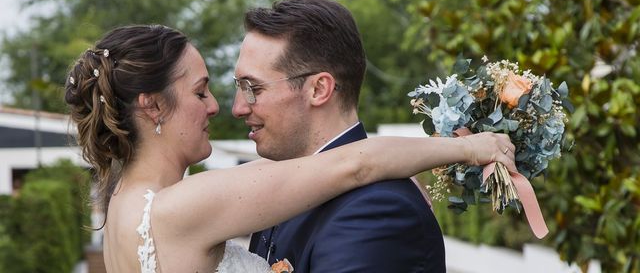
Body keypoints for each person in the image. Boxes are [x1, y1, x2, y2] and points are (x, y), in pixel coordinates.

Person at [65, 24, 515, 273]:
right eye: (201, 92)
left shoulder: (121, 206)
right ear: (153, 106)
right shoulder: (181, 207)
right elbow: (355, 167)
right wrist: (472, 148)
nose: (220, 106)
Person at [233, 0, 453, 272]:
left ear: (318, 89)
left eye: (253, 88)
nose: (238, 108)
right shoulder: (284, 182)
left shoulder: (376, 210)